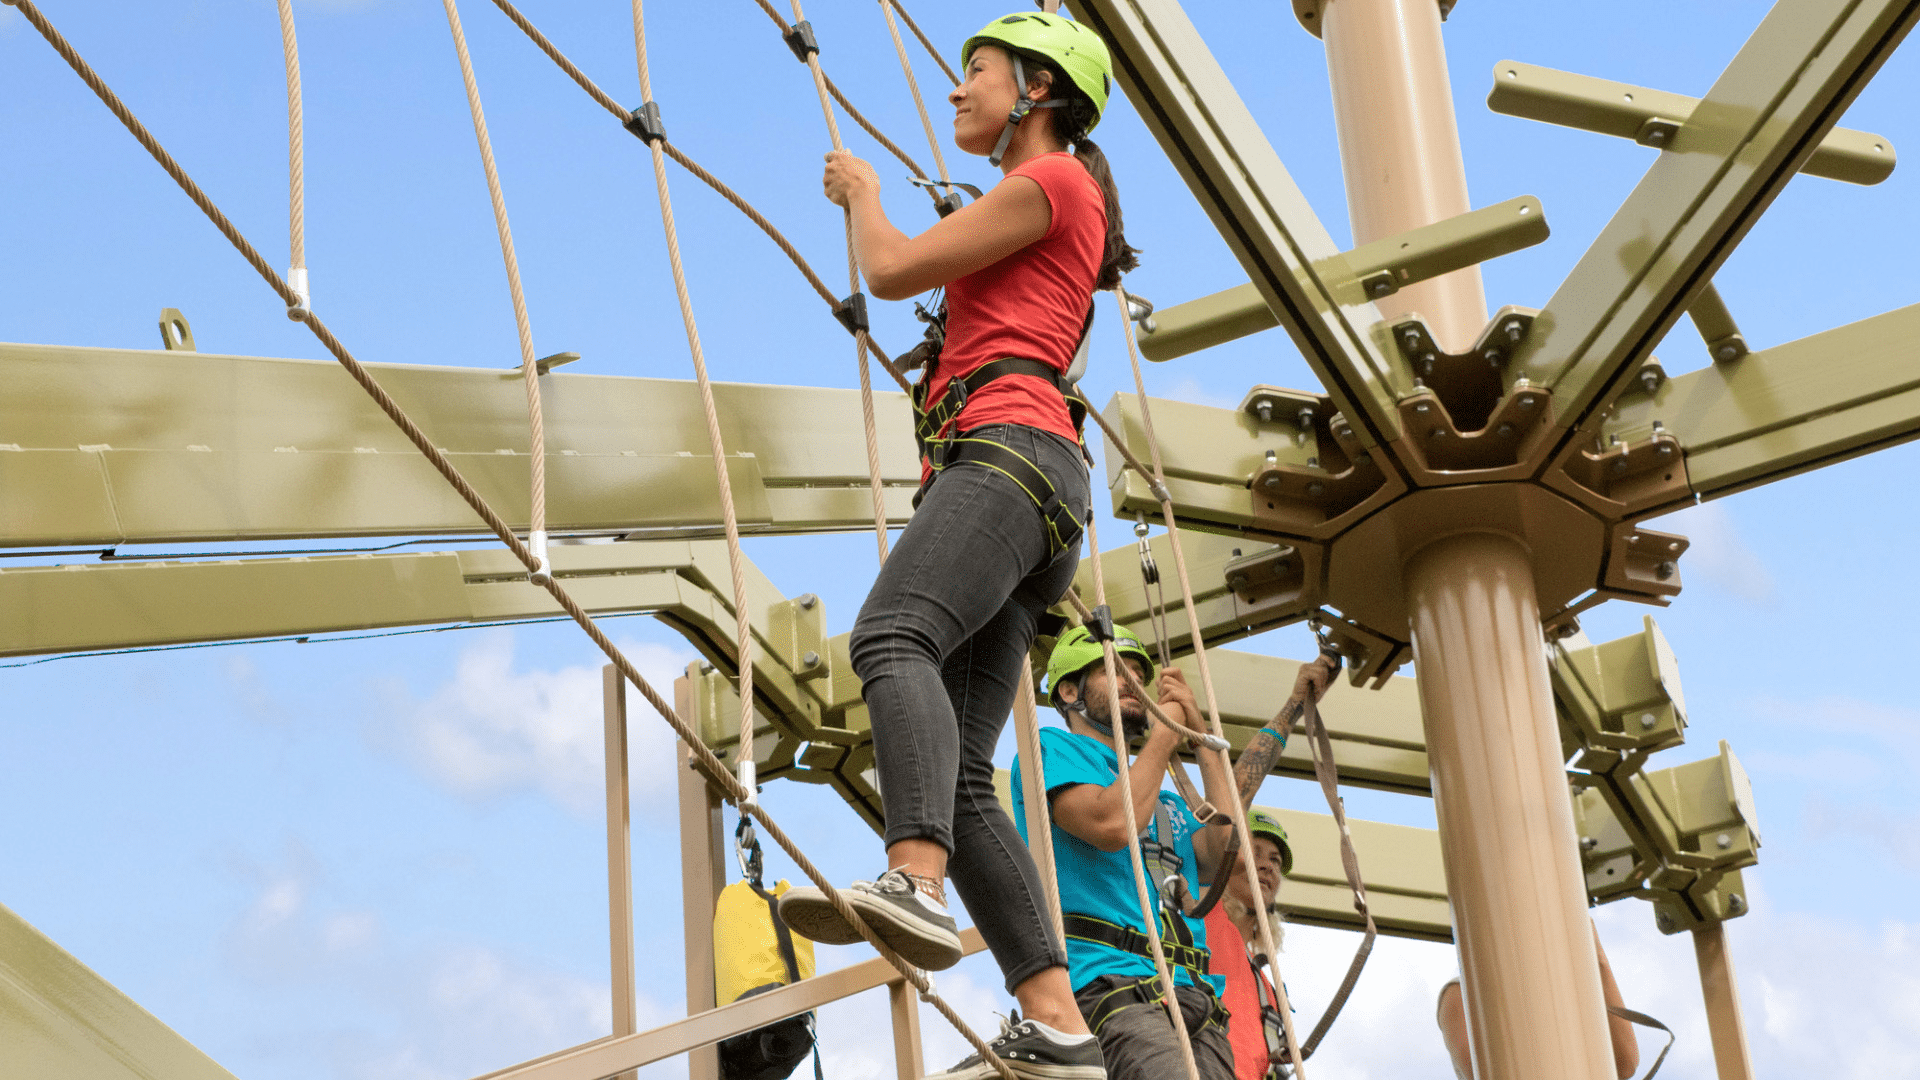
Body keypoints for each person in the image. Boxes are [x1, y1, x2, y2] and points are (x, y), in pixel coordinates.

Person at [776, 11, 1137, 1079]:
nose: (956, 91)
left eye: (973, 74)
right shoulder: (1052, 198)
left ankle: (915, 878)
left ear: (1035, 87)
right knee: (968, 774)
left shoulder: (1056, 181)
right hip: (1037, 480)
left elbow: (888, 270)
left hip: (1010, 455)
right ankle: (1060, 1022)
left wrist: (865, 197)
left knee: (892, 637)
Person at [1007, 622, 1239, 1080]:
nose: (1134, 682)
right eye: (1116, 671)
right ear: (1070, 691)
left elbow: (1231, 858)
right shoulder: (1051, 751)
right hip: (1113, 985)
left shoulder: (1167, 803)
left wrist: (1201, 737)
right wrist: (1164, 739)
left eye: (1138, 673)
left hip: (1197, 1000)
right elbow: (1111, 823)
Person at [1435, 921, 1640, 1080]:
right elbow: (1489, 1072)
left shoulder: (1568, 986)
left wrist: (1590, 947)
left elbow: (1625, 1063)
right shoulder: (1462, 992)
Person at [1203, 810, 1293, 1080]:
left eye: (1275, 860)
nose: (1268, 866)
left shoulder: (1268, 989)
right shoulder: (1200, 922)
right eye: (1254, 853)